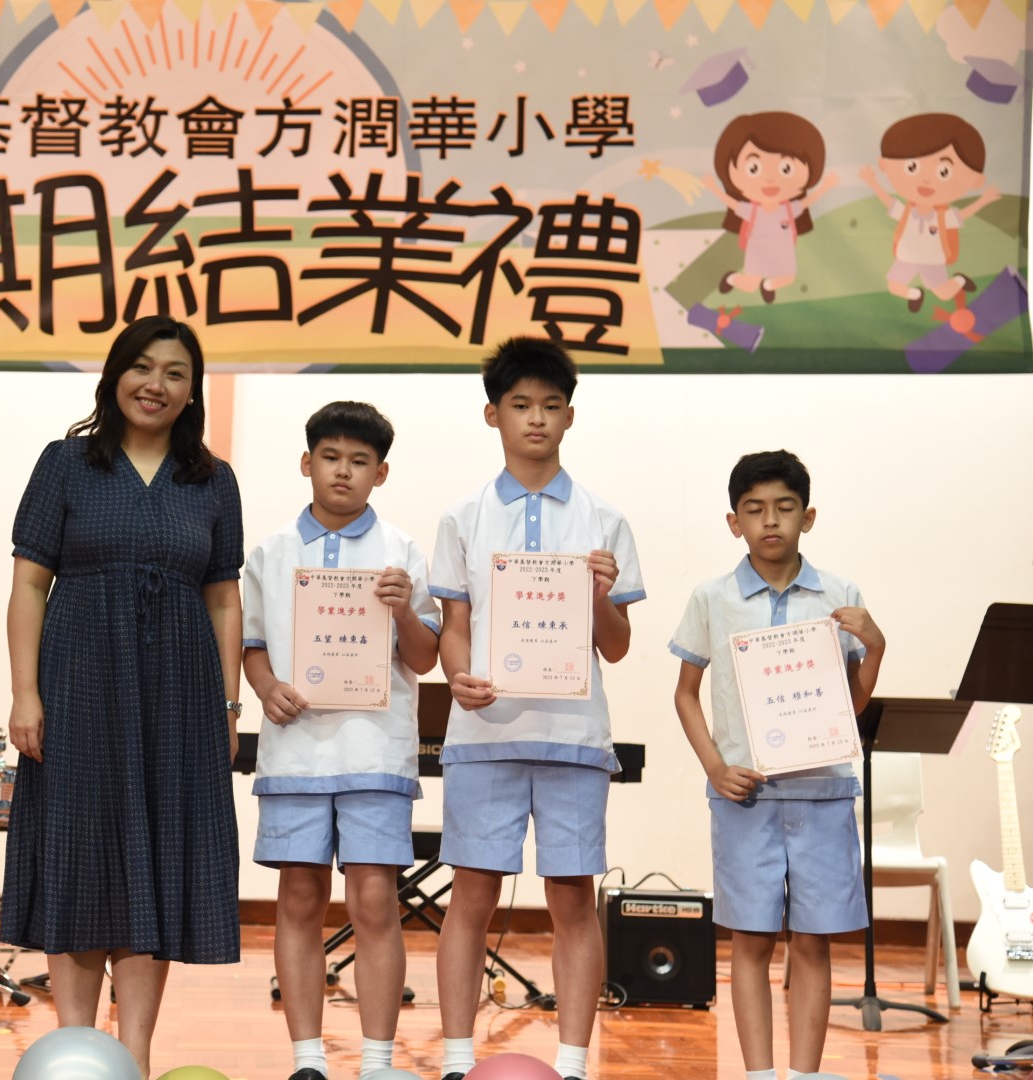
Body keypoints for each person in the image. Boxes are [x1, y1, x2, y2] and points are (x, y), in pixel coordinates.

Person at [1, 315, 245, 1077]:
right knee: (79, 858)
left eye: (175, 373)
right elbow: (29, 585)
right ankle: (76, 1050)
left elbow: (224, 599)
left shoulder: (212, 480)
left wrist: (228, 705)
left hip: (179, 695)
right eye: (142, 367)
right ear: (114, 376)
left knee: (156, 864)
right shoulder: (66, 464)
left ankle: (133, 1057)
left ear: (192, 390)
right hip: (77, 684)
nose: (156, 384)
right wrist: (25, 693)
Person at [428, 337, 645, 1080]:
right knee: (471, 896)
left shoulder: (603, 519)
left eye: (551, 406)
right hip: (483, 735)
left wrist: (600, 595)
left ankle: (574, 1062)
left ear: (570, 417)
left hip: (573, 738)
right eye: (520, 405)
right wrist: (459, 677)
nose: (536, 419)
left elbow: (616, 645)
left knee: (573, 899)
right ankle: (457, 1058)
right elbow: (454, 628)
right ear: (493, 414)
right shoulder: (462, 517)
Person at [669, 450, 885, 1080]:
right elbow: (685, 694)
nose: (771, 521)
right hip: (745, 797)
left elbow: (851, 704)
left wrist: (875, 647)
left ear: (807, 517)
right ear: (733, 522)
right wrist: (715, 767)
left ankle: (804, 1076)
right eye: (755, 509)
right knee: (751, 942)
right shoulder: (711, 598)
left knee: (812, 943)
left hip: (823, 794)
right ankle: (759, 1075)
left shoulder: (840, 595)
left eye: (785, 508)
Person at [242, 402, 441, 1080]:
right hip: (295, 751)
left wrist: (404, 609)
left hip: (375, 753)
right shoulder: (271, 552)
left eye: (360, 461)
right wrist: (266, 688)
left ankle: (378, 1060)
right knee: (299, 899)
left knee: (375, 902)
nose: (343, 472)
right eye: (331, 457)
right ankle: (308, 1059)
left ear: (380, 473)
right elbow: (253, 646)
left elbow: (425, 658)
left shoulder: (402, 551)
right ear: (307, 463)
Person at [858, 112, 1000, 312]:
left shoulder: (941, 216)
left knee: (944, 293)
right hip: (906, 257)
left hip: (933, 261)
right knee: (894, 287)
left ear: (975, 181)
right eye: (912, 167)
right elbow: (889, 202)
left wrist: (983, 200)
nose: (926, 179)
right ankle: (916, 294)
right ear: (885, 165)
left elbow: (962, 215)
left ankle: (959, 280)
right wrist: (874, 183)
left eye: (944, 172)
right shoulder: (907, 212)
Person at [704, 111, 838, 304]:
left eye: (786, 169)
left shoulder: (788, 209)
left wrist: (825, 187)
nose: (769, 179)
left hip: (783, 251)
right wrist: (714, 189)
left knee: (788, 278)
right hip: (757, 251)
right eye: (753, 168)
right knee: (750, 284)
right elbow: (733, 204)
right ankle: (731, 279)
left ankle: (768, 285)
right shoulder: (754, 211)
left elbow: (806, 202)